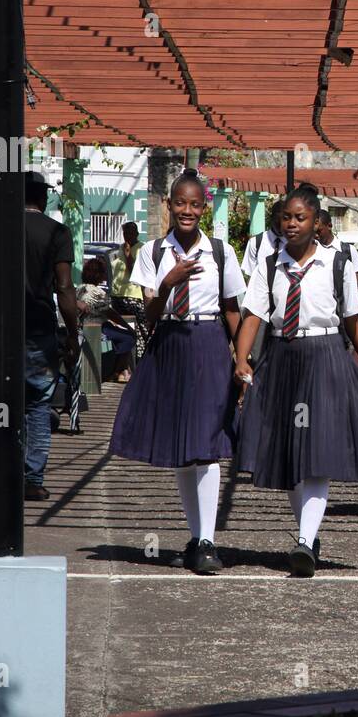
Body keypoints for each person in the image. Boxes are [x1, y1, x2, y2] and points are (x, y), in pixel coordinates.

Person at [233, 183, 358, 578]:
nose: (291, 224)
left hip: (324, 358)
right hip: (282, 358)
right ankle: (308, 531)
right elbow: (253, 315)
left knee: (316, 453)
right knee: (288, 453)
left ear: (317, 221)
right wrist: (240, 360)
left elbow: (354, 325)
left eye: (300, 217)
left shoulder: (337, 264)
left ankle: (304, 542)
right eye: (286, 217)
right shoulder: (269, 265)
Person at [109, 171, 245, 575]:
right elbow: (148, 320)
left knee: (207, 443)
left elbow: (232, 308)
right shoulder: (152, 253)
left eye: (195, 204)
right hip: (169, 344)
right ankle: (196, 534)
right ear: (169, 205)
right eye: (180, 204)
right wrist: (166, 284)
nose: (187, 211)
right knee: (182, 449)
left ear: (205, 208)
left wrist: (242, 357)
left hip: (207, 343)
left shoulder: (221, 252)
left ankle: (207, 540)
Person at [0, 172, 81, 501]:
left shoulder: (1, 225)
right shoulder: (58, 233)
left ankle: (7, 461)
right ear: (44, 198)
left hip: (4, 333)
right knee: (37, 404)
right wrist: (73, 334)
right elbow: (64, 287)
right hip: (40, 332)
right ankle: (32, 479)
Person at [78, 257, 136, 383]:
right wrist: (127, 327)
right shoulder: (98, 292)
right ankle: (116, 372)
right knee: (129, 337)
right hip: (98, 327)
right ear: (99, 275)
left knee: (116, 336)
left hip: (82, 327)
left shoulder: (79, 289)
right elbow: (110, 313)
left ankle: (121, 370)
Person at [110, 221, 146, 360]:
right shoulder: (121, 247)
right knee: (121, 331)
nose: (127, 236)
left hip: (133, 296)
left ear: (136, 233)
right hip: (117, 295)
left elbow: (135, 272)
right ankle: (122, 364)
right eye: (125, 233)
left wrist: (128, 254)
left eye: (130, 233)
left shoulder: (141, 248)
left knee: (142, 329)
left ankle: (142, 358)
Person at [316, 207, 358, 292]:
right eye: (312, 232)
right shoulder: (311, 251)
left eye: (319, 231)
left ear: (329, 226)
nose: (315, 235)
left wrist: (341, 285)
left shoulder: (348, 250)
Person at [240, 198, 286, 279]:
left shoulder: (294, 244)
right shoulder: (256, 242)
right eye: (278, 222)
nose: (281, 226)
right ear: (271, 218)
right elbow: (250, 275)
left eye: (285, 220)